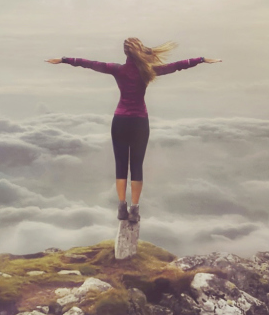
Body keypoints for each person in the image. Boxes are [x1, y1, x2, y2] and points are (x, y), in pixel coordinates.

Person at [47, 38, 220, 223]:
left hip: (120, 121)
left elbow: (88, 63)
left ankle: (122, 206)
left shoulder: (117, 69)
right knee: (136, 166)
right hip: (139, 122)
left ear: (125, 53)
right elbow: (177, 66)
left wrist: (64, 59)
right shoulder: (148, 70)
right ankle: (135, 209)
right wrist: (201, 59)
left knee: (121, 166)